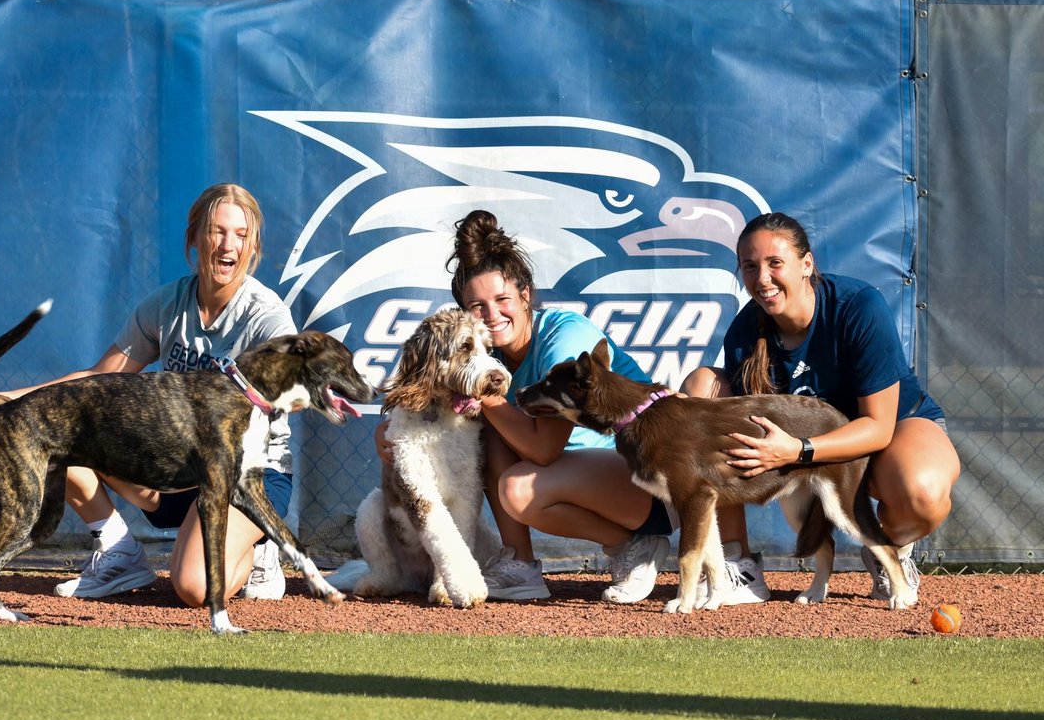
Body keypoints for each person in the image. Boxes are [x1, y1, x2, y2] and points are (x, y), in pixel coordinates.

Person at [0, 183, 296, 606]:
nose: (229, 245)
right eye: (217, 231)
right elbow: (98, 377)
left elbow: (287, 397)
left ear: (253, 246)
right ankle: (118, 552)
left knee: (194, 589)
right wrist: (9, 401)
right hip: (177, 468)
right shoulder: (167, 305)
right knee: (56, 428)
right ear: (195, 237)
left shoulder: (266, 316)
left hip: (249, 474)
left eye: (241, 235)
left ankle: (258, 547)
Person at [380, 209, 675, 603]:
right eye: (477, 306)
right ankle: (519, 563)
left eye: (502, 299)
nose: (492, 315)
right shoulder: (489, 358)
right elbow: (428, 405)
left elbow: (544, 450)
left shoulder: (563, 338)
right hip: (585, 478)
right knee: (482, 432)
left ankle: (633, 545)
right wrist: (390, 433)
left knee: (516, 487)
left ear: (526, 295)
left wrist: (487, 397)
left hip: (649, 480)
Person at [681, 211, 959, 605]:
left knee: (924, 495)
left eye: (775, 263)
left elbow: (878, 427)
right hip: (807, 453)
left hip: (891, 430)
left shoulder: (857, 306)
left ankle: (890, 548)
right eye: (750, 266)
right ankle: (737, 565)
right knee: (701, 387)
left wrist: (798, 450)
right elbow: (742, 428)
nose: (762, 278)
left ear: (806, 264)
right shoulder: (745, 331)